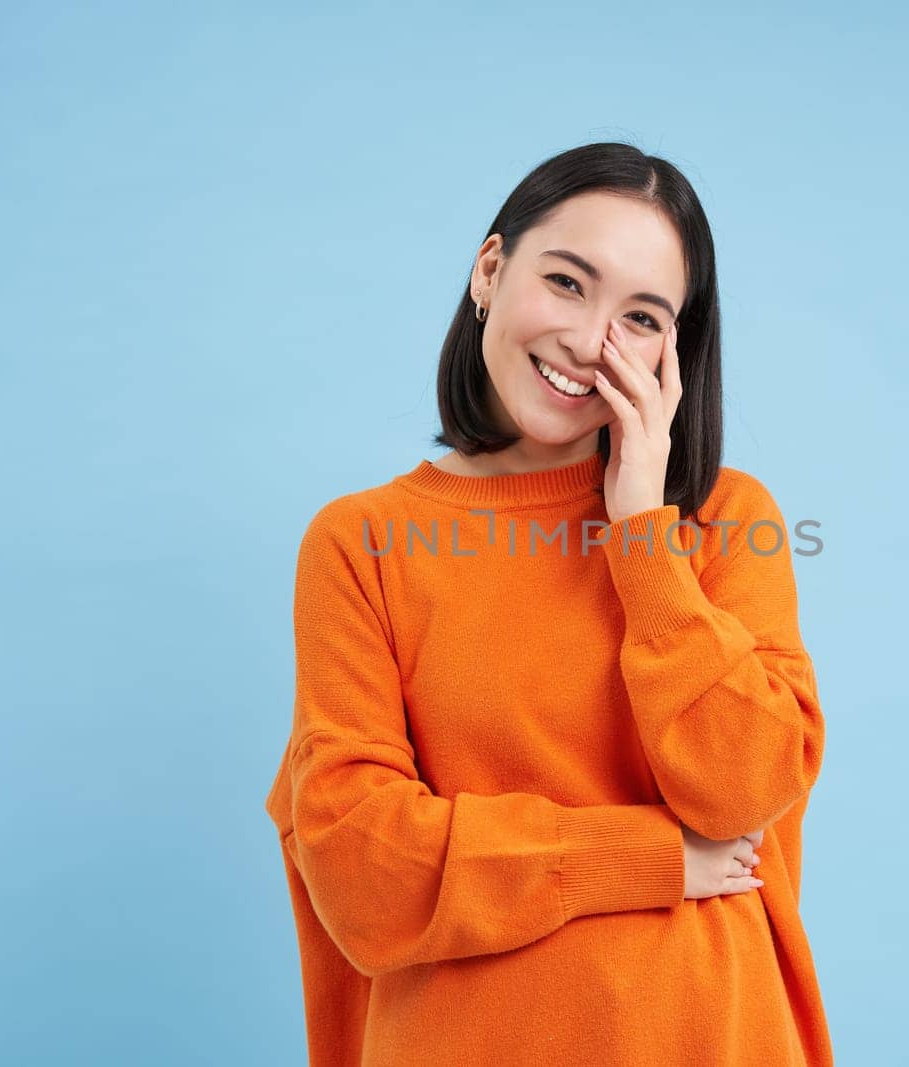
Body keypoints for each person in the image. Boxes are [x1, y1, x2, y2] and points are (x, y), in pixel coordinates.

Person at [264, 141, 832, 1065]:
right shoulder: (363, 541)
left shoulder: (726, 520)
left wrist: (643, 534)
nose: (588, 340)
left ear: (673, 351)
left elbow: (745, 792)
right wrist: (643, 859)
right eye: (567, 283)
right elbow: (362, 865)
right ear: (490, 270)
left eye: (641, 316)